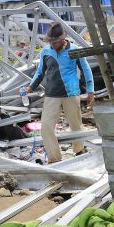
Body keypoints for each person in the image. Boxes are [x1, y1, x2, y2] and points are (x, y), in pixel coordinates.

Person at [26, 22, 94, 163]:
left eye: (55, 41)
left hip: (71, 93)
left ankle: (79, 150)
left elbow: (86, 70)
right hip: (51, 95)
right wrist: (31, 87)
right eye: (50, 41)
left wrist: (90, 91)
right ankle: (54, 158)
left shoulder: (74, 51)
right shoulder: (46, 51)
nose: (52, 44)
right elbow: (40, 72)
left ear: (63, 39)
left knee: (76, 125)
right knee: (46, 127)